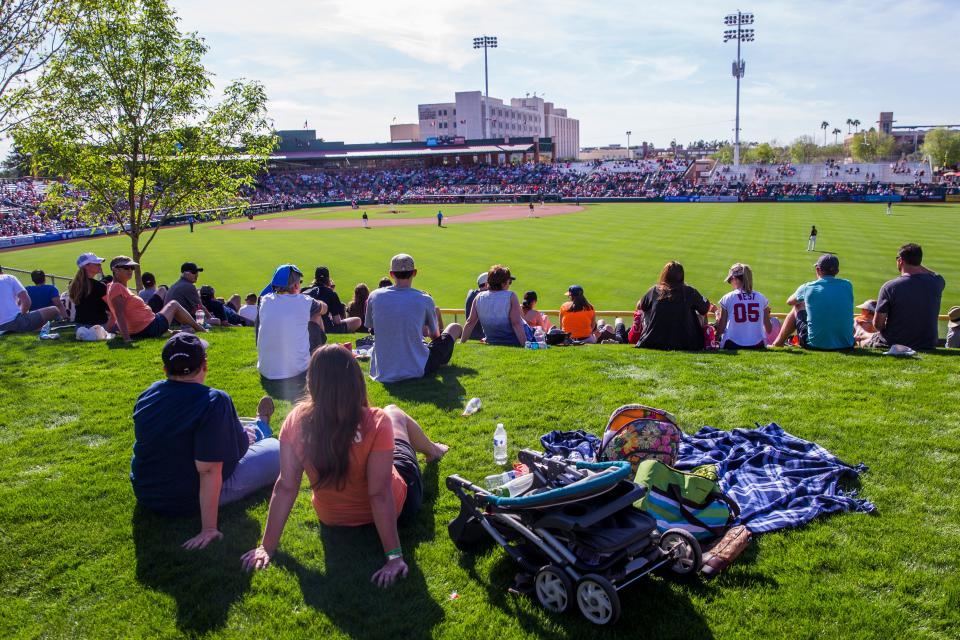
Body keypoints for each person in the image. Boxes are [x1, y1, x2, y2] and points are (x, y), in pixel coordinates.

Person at [240, 345, 449, 586]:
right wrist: (394, 557)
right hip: (398, 508)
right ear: (356, 381)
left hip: (333, 518)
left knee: (387, 427)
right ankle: (433, 450)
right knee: (394, 413)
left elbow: (286, 486)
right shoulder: (376, 420)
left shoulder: (295, 421)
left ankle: (433, 449)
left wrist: (267, 546)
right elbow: (380, 494)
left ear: (313, 383)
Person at [131, 332, 281, 549]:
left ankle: (258, 427)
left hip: (147, 492)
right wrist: (208, 528)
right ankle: (262, 426)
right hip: (189, 497)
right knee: (277, 449)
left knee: (236, 429)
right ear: (205, 365)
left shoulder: (148, 394)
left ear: (165, 369)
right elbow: (208, 471)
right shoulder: (214, 400)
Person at [364, 253, 462, 383]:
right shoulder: (425, 299)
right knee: (455, 328)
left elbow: (372, 328)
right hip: (416, 368)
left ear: (391, 274)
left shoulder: (374, 296)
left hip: (383, 370)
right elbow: (435, 336)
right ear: (414, 273)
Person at [256, 264, 328, 400]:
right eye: (299, 283)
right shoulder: (305, 301)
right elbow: (324, 308)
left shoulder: (264, 301)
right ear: (295, 286)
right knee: (316, 315)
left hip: (266, 369)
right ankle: (320, 359)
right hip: (296, 371)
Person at [103, 256, 205, 342]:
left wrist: (106, 332)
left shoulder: (112, 286)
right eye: (126, 268)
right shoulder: (117, 287)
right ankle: (200, 328)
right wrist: (127, 339)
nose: (130, 270)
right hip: (149, 327)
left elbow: (113, 315)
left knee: (183, 329)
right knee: (173, 304)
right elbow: (118, 313)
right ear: (115, 269)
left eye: (132, 268)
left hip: (143, 328)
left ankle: (173, 331)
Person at [866, 243, 945, 350]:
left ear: (900, 261)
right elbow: (935, 274)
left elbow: (878, 324)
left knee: (861, 334)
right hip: (928, 344)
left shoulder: (890, 287)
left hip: (894, 343)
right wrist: (916, 262)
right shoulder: (937, 282)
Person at [773, 254, 854, 350]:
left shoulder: (808, 287)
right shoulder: (848, 285)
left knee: (798, 305)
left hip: (815, 345)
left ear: (818, 270)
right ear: (837, 271)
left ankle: (778, 343)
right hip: (846, 345)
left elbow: (790, 301)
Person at [635, 262, 710, 350]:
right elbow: (705, 307)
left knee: (646, 309)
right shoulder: (690, 291)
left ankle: (641, 334)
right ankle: (708, 340)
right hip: (687, 343)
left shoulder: (655, 290)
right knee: (700, 312)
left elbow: (640, 306)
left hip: (654, 341)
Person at [461, 265, 526, 347]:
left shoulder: (479, 297)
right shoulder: (511, 296)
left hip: (491, 340)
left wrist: (462, 342)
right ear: (503, 283)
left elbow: (470, 322)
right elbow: (516, 323)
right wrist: (525, 344)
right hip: (512, 340)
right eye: (509, 281)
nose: (509, 284)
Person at [715, 263, 771, 350]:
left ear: (735, 279)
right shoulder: (761, 297)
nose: (730, 283)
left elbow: (721, 328)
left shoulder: (727, 298)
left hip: (732, 344)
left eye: (730, 280)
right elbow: (769, 329)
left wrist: (715, 339)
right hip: (758, 344)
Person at [0, 265, 60, 334]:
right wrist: (22, 315)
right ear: (2, 271)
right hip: (15, 323)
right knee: (54, 309)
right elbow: (26, 301)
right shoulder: (8, 278)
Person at [303, 266, 363, 334]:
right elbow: (337, 321)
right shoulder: (331, 293)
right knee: (357, 321)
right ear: (328, 279)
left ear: (315, 278)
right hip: (327, 329)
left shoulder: (304, 290)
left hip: (306, 328)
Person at [69, 252, 110, 326]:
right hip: (99, 327)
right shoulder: (99, 286)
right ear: (86, 266)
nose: (100, 265)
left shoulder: (73, 284)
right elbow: (111, 308)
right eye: (96, 264)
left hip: (80, 327)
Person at [463, 272, 488, 341]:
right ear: (487, 284)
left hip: (471, 335)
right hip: (481, 336)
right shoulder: (482, 297)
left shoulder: (472, 293)